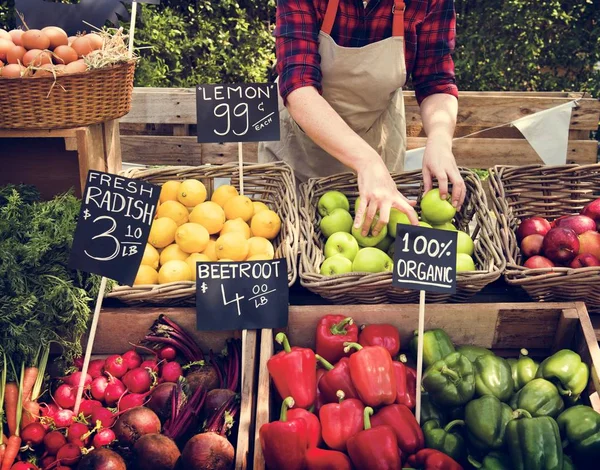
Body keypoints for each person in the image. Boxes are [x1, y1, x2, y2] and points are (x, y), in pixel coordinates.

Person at [258, 0, 466, 237]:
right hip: (299, 145)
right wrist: (367, 161)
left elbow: (435, 80)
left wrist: (439, 140)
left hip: (376, 139)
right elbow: (299, 85)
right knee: (290, 243)